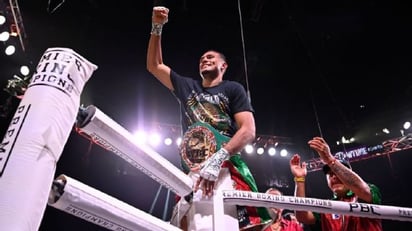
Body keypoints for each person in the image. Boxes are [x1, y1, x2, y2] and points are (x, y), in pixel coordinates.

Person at [146, 6, 271, 231]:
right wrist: (157, 26)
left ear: (224, 66)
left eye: (211, 57)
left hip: (226, 165)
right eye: (202, 58)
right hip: (193, 167)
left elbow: (248, 130)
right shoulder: (187, 86)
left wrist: (218, 158)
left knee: (239, 225)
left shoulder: (233, 89)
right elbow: (154, 66)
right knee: (190, 226)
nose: (204, 59)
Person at [289, 137, 383, 231]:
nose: (333, 177)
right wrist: (299, 179)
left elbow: (363, 190)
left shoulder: (368, 191)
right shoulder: (326, 206)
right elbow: (302, 217)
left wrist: (330, 160)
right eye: (330, 174)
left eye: (337, 173)